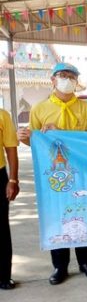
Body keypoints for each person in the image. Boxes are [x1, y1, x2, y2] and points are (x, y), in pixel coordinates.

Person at [17, 62, 87, 285]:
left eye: (72, 77)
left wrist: (61, 134)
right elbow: (34, 142)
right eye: (62, 75)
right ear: (52, 79)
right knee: (57, 217)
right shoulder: (40, 109)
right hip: (52, 174)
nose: (67, 80)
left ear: (77, 82)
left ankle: (86, 262)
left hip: (82, 171)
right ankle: (60, 266)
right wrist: (24, 136)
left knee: (82, 213)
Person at [0, 109, 19, 290]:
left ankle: (4, 275)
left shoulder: (2, 115)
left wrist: (13, 180)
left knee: (1, 229)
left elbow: (11, 149)